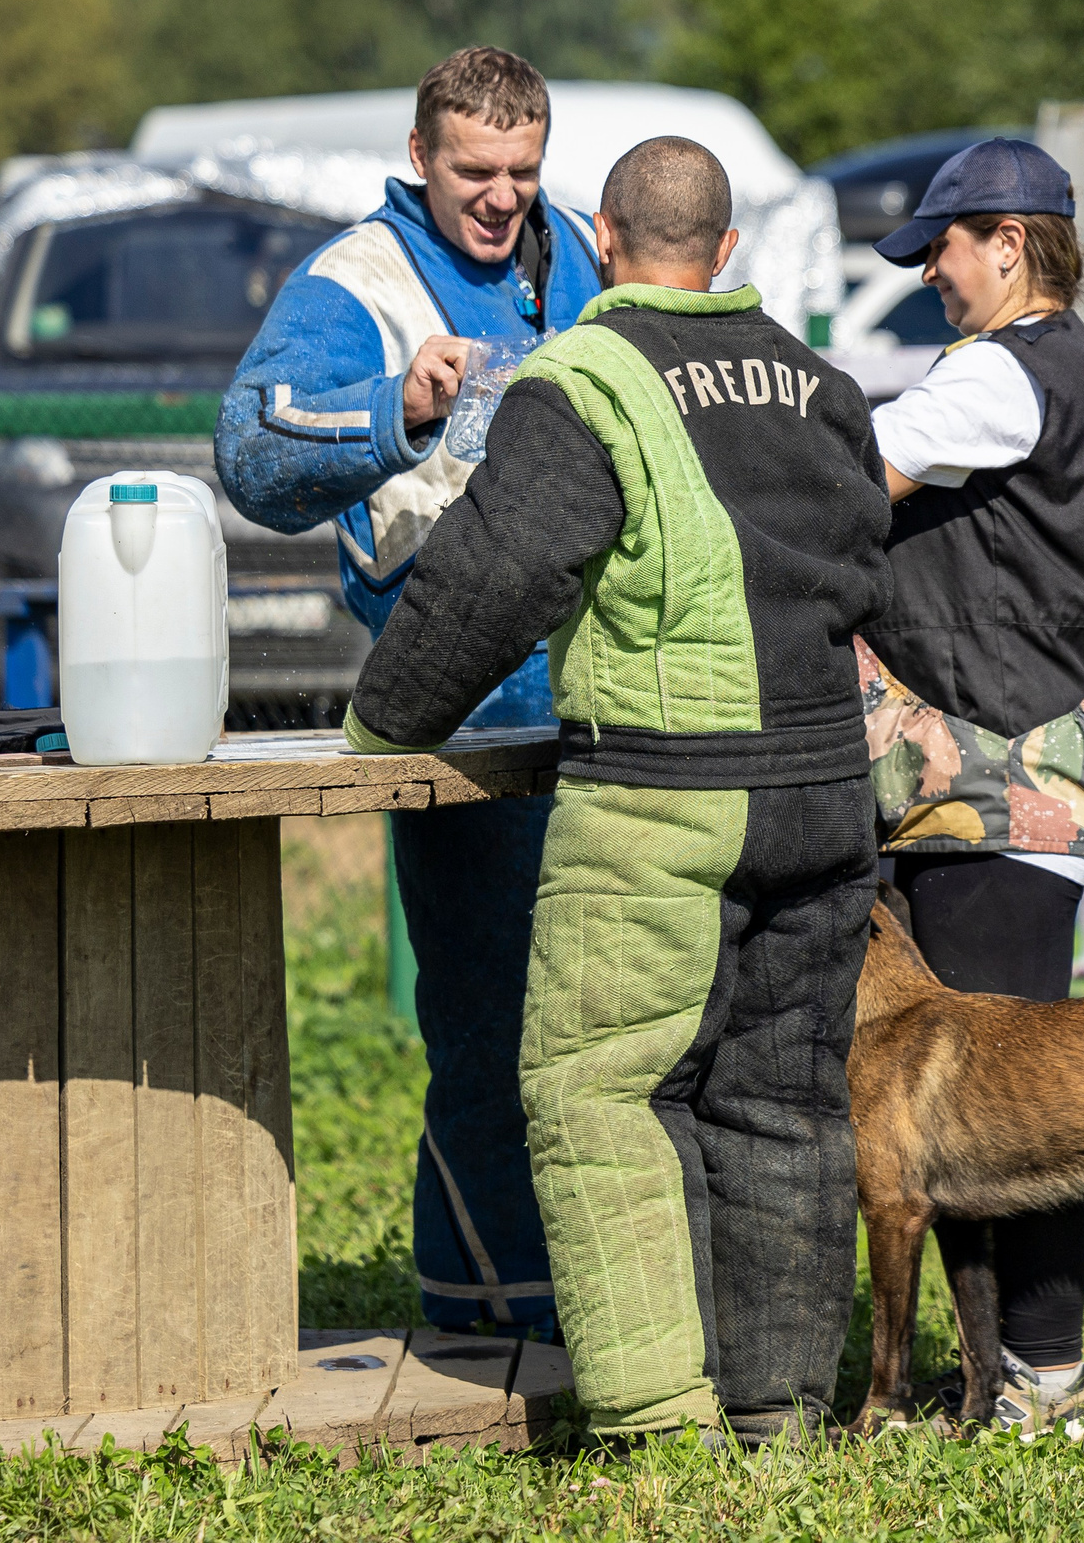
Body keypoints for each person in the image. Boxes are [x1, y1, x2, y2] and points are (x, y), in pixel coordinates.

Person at [343, 137, 892, 1445]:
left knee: (602, 1094)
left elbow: (493, 572)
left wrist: (384, 724)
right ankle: (781, 1413)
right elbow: (874, 566)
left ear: (600, 239)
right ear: (729, 251)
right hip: (823, 793)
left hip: (664, 796)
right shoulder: (821, 386)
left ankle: (658, 1423)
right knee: (785, 1104)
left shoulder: (583, 377)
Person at [217, 46, 605, 1339]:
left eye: (522, 171)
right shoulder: (358, 280)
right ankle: (490, 1305)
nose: (501, 197)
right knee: (492, 1018)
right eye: (474, 171)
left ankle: (595, 1295)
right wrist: (401, 403)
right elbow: (250, 449)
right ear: (420, 155)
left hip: (608, 699)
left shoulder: (579, 260)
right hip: (466, 711)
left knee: (601, 1018)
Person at [856, 138, 1084, 1441]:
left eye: (942, 248)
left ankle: (1047, 1373)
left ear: (1010, 243)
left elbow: (851, 473)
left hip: (1006, 779)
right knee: (998, 1095)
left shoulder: (999, 377)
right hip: (1033, 771)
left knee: (1013, 1104)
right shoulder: (1074, 368)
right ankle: (1004, 1380)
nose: (929, 274)